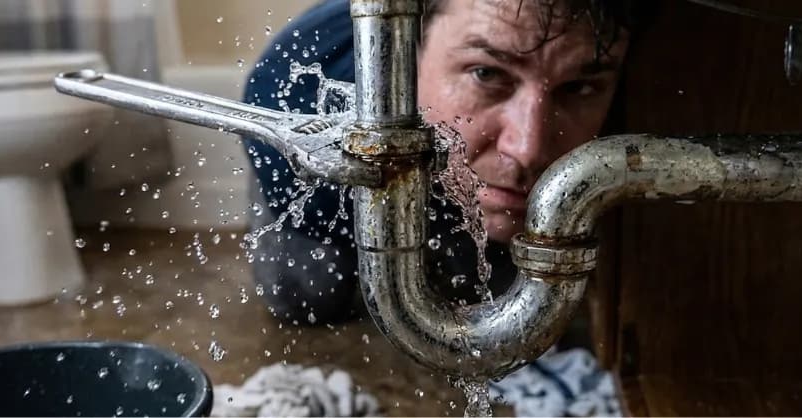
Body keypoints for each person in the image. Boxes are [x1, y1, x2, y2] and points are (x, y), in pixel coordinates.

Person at [241, 0, 654, 325]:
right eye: (487, 74)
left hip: (454, 166)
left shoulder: (642, 95)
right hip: (347, 159)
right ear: (408, 54)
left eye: (578, 87)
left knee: (493, 304)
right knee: (306, 295)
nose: (527, 148)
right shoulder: (299, 103)